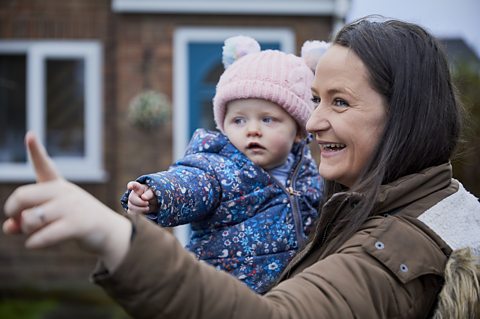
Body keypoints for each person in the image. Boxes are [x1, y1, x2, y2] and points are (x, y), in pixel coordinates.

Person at [3, 17, 480, 319]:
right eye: (315, 99)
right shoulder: (381, 199)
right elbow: (192, 182)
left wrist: (113, 237)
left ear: (406, 114)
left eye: (339, 101)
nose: (313, 122)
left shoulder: (392, 250)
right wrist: (152, 196)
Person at [120, 35, 324, 293]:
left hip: (290, 300)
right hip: (222, 297)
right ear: (223, 125)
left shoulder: (311, 175)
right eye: (239, 120)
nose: (252, 130)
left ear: (298, 131)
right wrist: (157, 194)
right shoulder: (218, 169)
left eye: (268, 119)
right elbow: (190, 183)